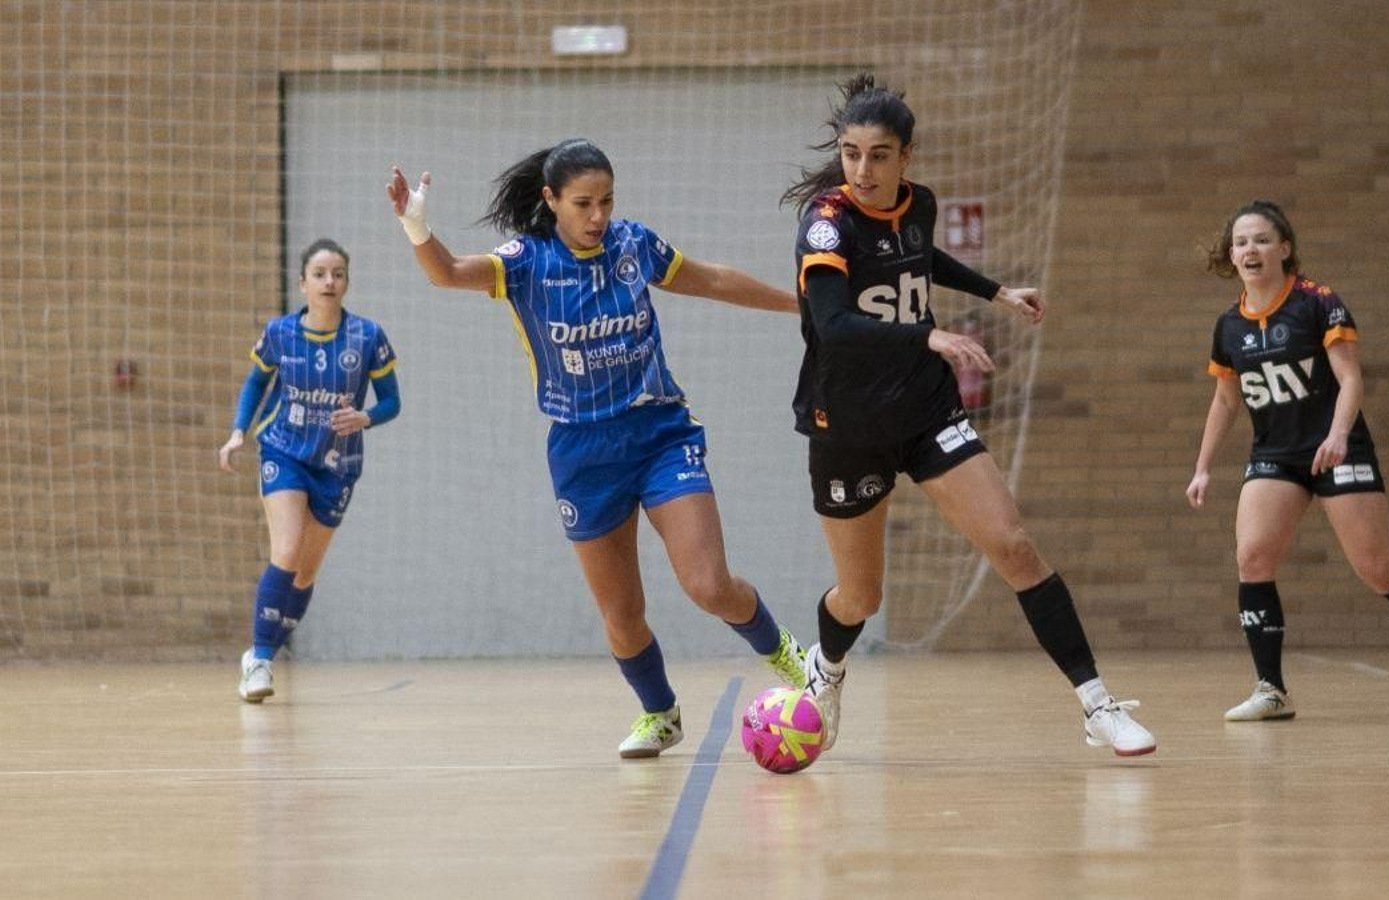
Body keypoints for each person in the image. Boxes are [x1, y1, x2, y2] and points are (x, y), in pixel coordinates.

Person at [385, 139, 808, 759]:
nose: (598, 216)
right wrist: (414, 223)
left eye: (607, 201)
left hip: (660, 433)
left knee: (708, 584)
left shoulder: (634, 245)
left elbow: (712, 279)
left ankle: (797, 664)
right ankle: (660, 714)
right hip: (583, 453)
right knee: (622, 613)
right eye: (583, 203)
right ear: (551, 200)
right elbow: (446, 273)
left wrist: (801, 307)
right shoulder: (526, 261)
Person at [780, 74, 1156, 757]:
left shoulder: (917, 204)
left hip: (926, 409)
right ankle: (825, 667)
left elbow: (920, 255)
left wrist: (996, 291)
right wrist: (928, 334)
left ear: (907, 158)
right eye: (851, 153)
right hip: (849, 425)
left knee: (1013, 544)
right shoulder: (827, 222)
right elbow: (832, 324)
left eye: (879, 155)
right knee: (860, 598)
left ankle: (1097, 706)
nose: (862, 170)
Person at [1186, 199, 1389, 721]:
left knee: (1379, 571)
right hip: (1275, 455)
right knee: (1253, 558)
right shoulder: (1228, 326)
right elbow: (1225, 399)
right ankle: (1272, 689)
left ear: (1284, 248)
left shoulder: (1317, 302)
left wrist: (1336, 434)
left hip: (1338, 446)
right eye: (1240, 242)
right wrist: (1201, 467)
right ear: (1231, 254)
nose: (1250, 249)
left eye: (1261, 239)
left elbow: (1351, 379)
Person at [220, 238, 402, 703]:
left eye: (337, 273)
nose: (329, 281)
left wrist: (366, 418)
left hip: (339, 465)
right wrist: (239, 431)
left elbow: (392, 402)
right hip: (284, 451)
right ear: (303, 283)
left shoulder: (367, 337)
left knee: (305, 571)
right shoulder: (280, 333)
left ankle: (264, 650)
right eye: (319, 273)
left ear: (346, 283)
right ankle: (259, 659)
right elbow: (256, 382)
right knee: (286, 549)